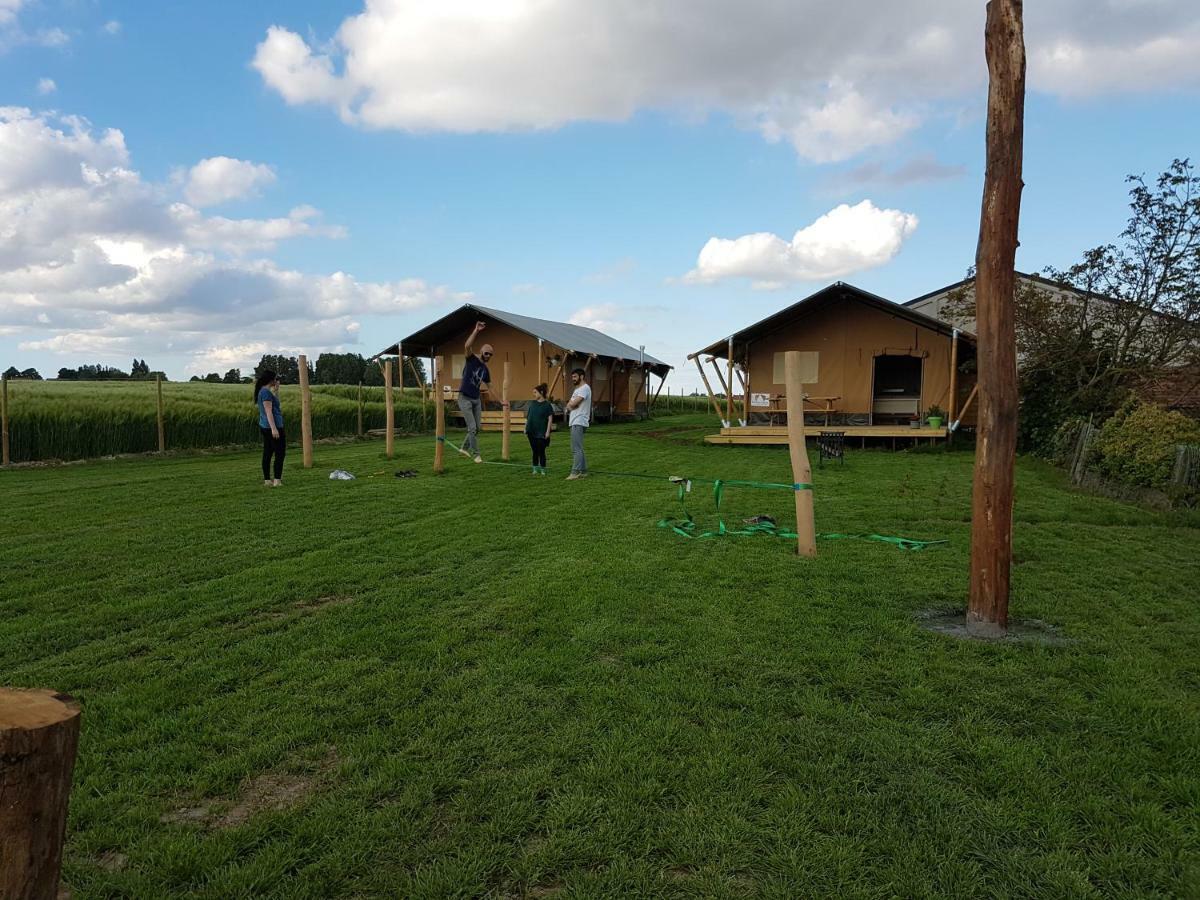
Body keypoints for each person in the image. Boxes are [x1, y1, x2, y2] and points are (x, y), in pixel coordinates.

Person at [458, 320, 492, 463]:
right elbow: (467, 345)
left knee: (477, 428)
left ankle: (464, 448)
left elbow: (491, 387)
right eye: (486, 353)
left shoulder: (486, 370)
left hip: (476, 400)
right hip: (464, 398)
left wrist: (502, 400)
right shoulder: (471, 360)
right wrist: (476, 330)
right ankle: (476, 454)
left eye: (491, 354)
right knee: (471, 427)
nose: (488, 356)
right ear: (481, 352)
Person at [254, 370, 285, 486]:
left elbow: (276, 405)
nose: (277, 381)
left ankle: (267, 480)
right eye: (276, 378)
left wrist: (276, 391)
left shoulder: (264, 392)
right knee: (280, 453)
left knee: (268, 452)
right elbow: (269, 411)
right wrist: (274, 429)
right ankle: (277, 480)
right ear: (271, 380)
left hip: (265, 426)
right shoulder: (266, 393)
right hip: (273, 427)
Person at [564, 367, 592, 480]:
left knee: (576, 448)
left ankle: (575, 473)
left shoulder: (585, 388)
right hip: (575, 420)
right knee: (578, 447)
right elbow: (569, 405)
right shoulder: (577, 390)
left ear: (581, 376)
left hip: (579, 421)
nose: (573, 379)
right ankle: (584, 471)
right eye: (572, 377)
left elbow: (574, 403)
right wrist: (571, 405)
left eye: (575, 377)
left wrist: (572, 405)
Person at [524, 382, 554, 475]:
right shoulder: (532, 404)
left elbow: (550, 419)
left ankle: (543, 469)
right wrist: (525, 428)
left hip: (542, 432)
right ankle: (535, 469)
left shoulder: (547, 405)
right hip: (531, 431)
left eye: (535, 392)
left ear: (541, 392)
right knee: (534, 451)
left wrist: (547, 432)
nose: (534, 394)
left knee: (541, 451)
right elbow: (528, 417)